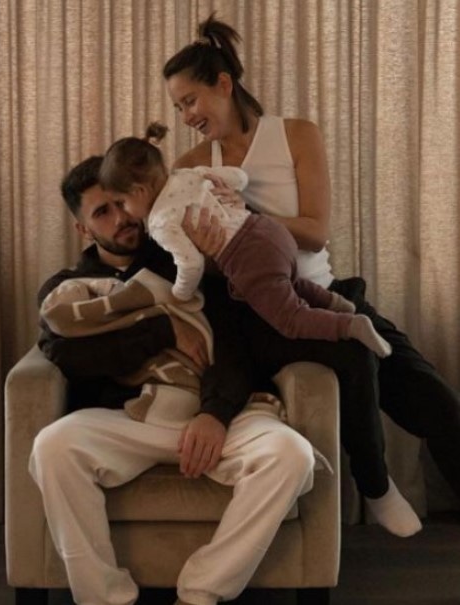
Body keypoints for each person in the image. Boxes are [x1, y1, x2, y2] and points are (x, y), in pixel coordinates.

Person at [162, 12, 460, 522]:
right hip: (259, 312)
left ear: (224, 85)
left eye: (190, 100)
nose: (186, 115)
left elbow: (316, 231)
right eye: (178, 107)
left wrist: (246, 216)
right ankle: (376, 489)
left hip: (326, 292)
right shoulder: (190, 167)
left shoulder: (296, 135)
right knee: (355, 355)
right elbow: (198, 258)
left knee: (434, 400)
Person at [29, 155, 322, 605]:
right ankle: (105, 597)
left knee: (291, 454)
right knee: (52, 446)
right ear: (82, 229)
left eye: (121, 203)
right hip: (131, 419)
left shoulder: (187, 260)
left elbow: (233, 343)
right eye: (102, 212)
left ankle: (202, 590)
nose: (121, 218)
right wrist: (161, 330)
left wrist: (215, 413)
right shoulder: (72, 288)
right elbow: (67, 355)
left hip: (214, 410)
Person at [97, 121, 392, 357]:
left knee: (289, 318)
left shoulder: (161, 222)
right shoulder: (188, 174)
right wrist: (225, 188)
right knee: (289, 282)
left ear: (138, 191)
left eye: (122, 203)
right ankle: (338, 303)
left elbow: (191, 264)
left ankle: (349, 325)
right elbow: (239, 178)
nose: (124, 213)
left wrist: (180, 294)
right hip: (268, 229)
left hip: (249, 257)